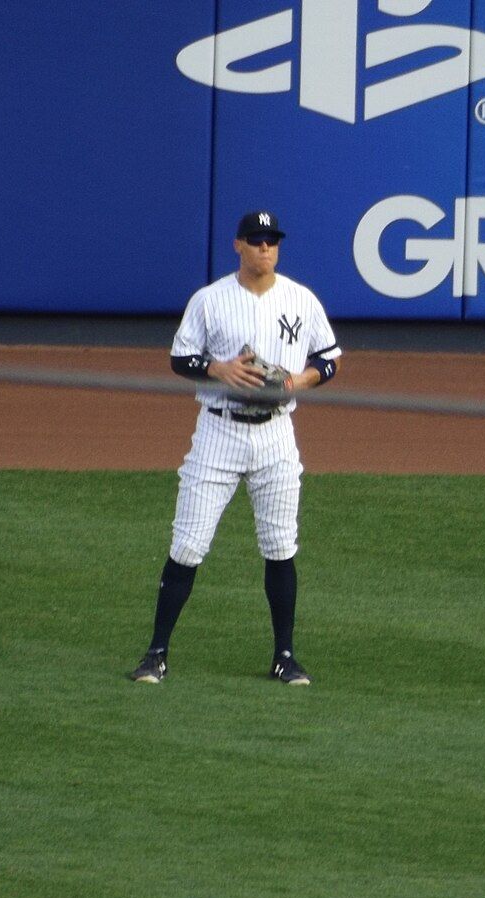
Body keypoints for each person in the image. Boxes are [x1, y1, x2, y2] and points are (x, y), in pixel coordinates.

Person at [128, 210, 342, 686]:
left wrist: (296, 381)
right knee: (187, 545)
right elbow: (180, 357)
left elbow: (329, 360)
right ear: (238, 245)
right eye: (256, 240)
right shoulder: (210, 300)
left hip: (276, 435)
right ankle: (156, 653)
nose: (265, 247)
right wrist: (218, 369)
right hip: (218, 432)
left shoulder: (301, 299)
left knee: (280, 546)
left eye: (272, 241)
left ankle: (284, 657)